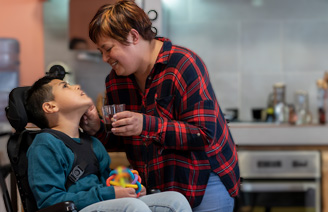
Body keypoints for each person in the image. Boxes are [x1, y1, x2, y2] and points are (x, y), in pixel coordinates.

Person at [80, 1, 240, 211]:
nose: (104, 58)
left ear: (133, 36)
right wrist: (98, 129)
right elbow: (121, 138)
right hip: (157, 187)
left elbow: (203, 134)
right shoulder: (115, 80)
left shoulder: (183, 64)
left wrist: (145, 124)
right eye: (101, 51)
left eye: (108, 49)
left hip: (204, 181)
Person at [24, 75, 192, 212]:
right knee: (132, 207)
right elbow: (50, 202)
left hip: (100, 203)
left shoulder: (92, 143)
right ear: (50, 106)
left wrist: (128, 187)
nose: (76, 86)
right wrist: (109, 194)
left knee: (175, 200)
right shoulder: (45, 145)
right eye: (65, 86)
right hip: (74, 209)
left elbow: (106, 181)